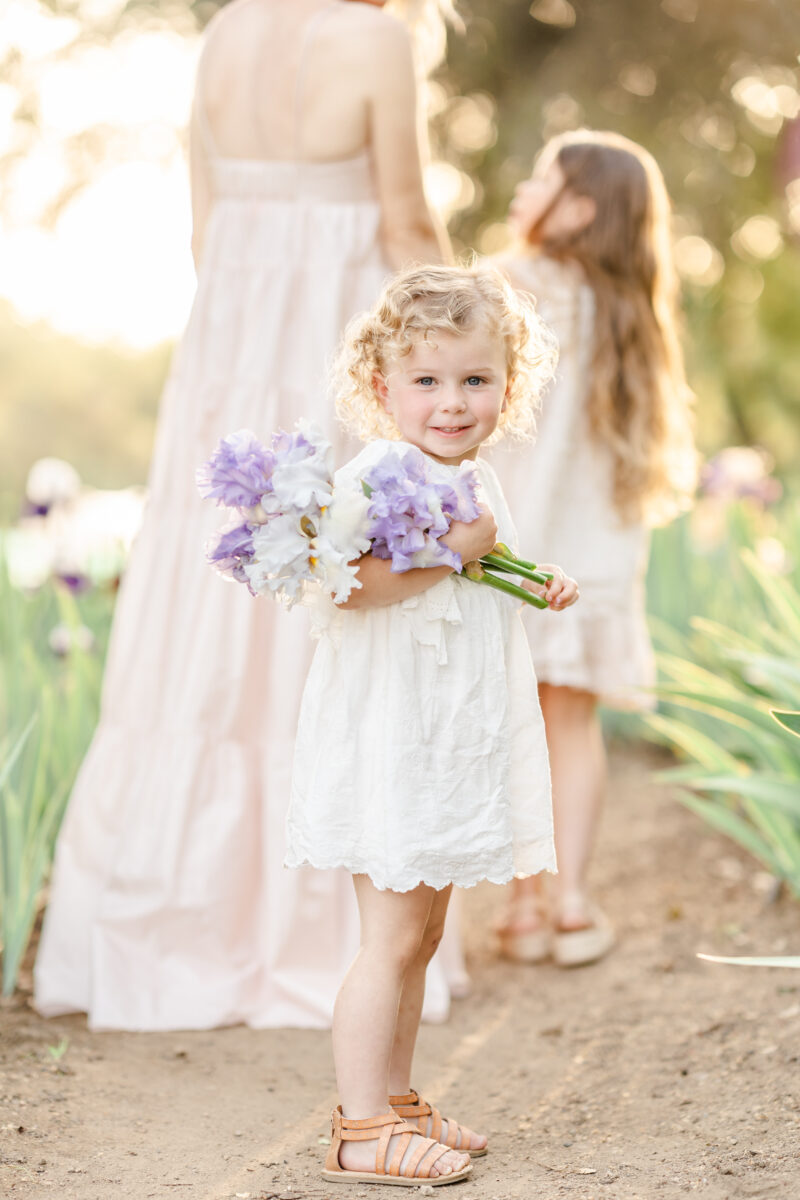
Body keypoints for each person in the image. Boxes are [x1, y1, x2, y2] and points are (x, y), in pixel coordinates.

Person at [34, 0, 457, 1031]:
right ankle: (329, 944)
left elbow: (202, 228)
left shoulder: (222, 33)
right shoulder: (376, 41)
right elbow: (402, 222)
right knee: (340, 594)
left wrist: (243, 337)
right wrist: (463, 335)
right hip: (338, 344)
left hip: (227, 349)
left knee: (211, 611)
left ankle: (183, 932)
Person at [286, 263, 579, 1186]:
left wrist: (535, 576)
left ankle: (398, 1096)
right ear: (383, 388)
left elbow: (479, 575)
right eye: (427, 380)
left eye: (475, 380)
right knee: (390, 939)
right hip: (395, 737)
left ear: (508, 385)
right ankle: (359, 1127)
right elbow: (347, 585)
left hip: (452, 738)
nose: (452, 402)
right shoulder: (376, 473)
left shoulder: (475, 472)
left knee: (423, 935)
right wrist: (458, 550)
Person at [489, 130, 697, 966]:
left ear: (577, 209)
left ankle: (521, 902)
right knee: (572, 727)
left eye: (540, 176)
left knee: (507, 722)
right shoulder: (635, 310)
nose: (522, 189)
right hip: (594, 555)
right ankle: (571, 901)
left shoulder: (512, 284)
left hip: (515, 547)